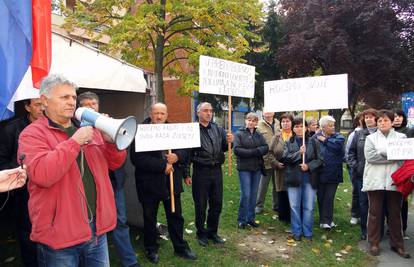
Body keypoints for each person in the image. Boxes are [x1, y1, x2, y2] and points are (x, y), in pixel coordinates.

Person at [18, 74, 126, 266]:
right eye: (64, 97)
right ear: (44, 100)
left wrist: (112, 144)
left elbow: (114, 164)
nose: (71, 102)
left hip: (96, 228)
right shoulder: (32, 134)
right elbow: (43, 175)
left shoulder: (89, 129)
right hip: (59, 234)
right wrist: (75, 141)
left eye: (73, 97)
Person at [78, 91, 141, 267]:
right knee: (91, 222)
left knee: (120, 221)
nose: (91, 108)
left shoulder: (107, 124)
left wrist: (110, 139)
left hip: (114, 183)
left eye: (94, 105)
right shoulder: (76, 130)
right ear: (79, 108)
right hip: (91, 188)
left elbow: (116, 161)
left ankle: (129, 261)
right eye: (86, 105)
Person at [130, 103, 196, 263]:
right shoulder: (141, 132)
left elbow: (186, 150)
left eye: (162, 113)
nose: (159, 116)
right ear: (150, 114)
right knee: (149, 218)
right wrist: (162, 166)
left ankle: (180, 247)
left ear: (166, 114)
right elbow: (137, 158)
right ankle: (151, 248)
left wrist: (177, 157)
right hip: (149, 184)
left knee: (175, 216)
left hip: (171, 183)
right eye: (156, 113)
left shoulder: (173, 130)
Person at [0, 97, 44, 267]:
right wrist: (20, 168)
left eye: (44, 104)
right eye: (37, 104)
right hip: (23, 193)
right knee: (27, 235)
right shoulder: (11, 129)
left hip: (47, 190)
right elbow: (2, 160)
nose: (42, 108)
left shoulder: (53, 125)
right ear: (27, 107)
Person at [362, 110, 410, 258]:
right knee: (375, 213)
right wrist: (392, 155)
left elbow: (404, 156)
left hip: (394, 181)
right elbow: (371, 157)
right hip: (375, 180)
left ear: (391, 122)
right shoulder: (370, 138)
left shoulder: (401, 137)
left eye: (385, 120)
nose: (382, 123)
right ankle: (374, 243)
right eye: (380, 121)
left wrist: (383, 152)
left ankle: (398, 245)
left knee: (395, 214)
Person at [190, 102, 233, 247]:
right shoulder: (192, 130)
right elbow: (187, 153)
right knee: (201, 204)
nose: (209, 113)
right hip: (200, 171)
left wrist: (229, 142)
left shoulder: (217, 128)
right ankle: (201, 233)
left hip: (216, 171)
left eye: (211, 110)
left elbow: (223, 148)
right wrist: (185, 173)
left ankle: (212, 231)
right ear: (198, 113)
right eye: (205, 111)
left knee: (217, 203)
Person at [281, 118, 323, 241]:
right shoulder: (289, 142)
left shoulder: (313, 142)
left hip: (309, 179)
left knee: (308, 207)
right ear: (293, 128)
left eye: (301, 126)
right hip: (293, 178)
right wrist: (299, 153)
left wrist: (308, 166)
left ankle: (307, 231)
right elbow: (285, 158)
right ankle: (296, 231)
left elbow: (320, 159)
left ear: (306, 128)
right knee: (294, 206)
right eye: (297, 126)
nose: (299, 129)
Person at [234, 112, 269, 229]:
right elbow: (237, 150)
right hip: (244, 168)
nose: (251, 122)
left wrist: (255, 151)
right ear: (245, 121)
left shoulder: (259, 135)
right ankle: (241, 219)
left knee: (254, 195)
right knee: (246, 195)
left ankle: (251, 218)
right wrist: (254, 152)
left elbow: (265, 147)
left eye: (254, 121)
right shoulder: (239, 134)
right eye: (249, 120)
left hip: (257, 168)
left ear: (256, 122)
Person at [347, 108, 378, 240]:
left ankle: (377, 230)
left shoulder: (381, 134)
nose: (368, 119)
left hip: (378, 175)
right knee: (363, 203)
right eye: (366, 117)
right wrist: (356, 166)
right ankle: (365, 230)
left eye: (371, 117)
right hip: (362, 175)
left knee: (376, 204)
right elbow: (351, 153)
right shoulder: (359, 134)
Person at [313, 115, 345, 230]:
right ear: (323, 127)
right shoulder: (315, 137)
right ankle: (324, 220)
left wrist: (325, 140)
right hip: (320, 172)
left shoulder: (339, 137)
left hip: (334, 172)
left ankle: (328, 220)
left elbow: (337, 147)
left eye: (333, 125)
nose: (333, 127)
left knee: (329, 197)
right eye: (330, 125)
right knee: (321, 196)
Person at [270, 113, 294, 223]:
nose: (285, 123)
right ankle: (283, 215)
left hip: (293, 168)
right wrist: (275, 163)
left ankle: (292, 215)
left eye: (287, 121)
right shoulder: (277, 136)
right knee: (281, 191)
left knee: (292, 191)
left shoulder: (296, 135)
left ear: (291, 122)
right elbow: (270, 152)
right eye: (283, 121)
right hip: (280, 169)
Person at [392, 109, 413, 239]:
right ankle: (391, 227)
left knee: (402, 201)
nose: (397, 119)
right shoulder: (388, 132)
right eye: (394, 117)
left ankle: (403, 228)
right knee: (390, 201)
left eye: (400, 116)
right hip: (392, 169)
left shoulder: (410, 132)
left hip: (405, 170)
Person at [255, 112, 280, 214]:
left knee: (277, 184)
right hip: (265, 159)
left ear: (273, 112)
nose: (268, 113)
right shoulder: (259, 125)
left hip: (278, 159)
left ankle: (276, 205)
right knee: (263, 185)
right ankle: (259, 206)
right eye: (265, 111)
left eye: (270, 111)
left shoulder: (279, 123)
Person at [345, 113, 364, 225]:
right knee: (356, 191)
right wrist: (354, 165)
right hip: (356, 168)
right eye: (363, 119)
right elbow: (349, 152)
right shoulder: (355, 134)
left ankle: (364, 214)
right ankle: (355, 214)